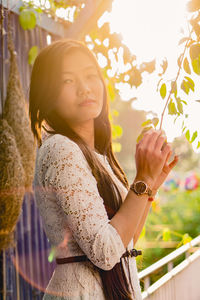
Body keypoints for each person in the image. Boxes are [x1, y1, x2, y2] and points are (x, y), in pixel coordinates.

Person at [29, 38, 179, 300]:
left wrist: (150, 185)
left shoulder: (97, 157)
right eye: (68, 81)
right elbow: (106, 253)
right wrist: (141, 180)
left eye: (90, 75)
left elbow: (125, 239)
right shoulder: (60, 149)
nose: (85, 88)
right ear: (47, 94)